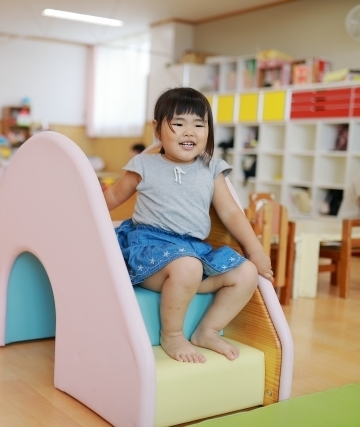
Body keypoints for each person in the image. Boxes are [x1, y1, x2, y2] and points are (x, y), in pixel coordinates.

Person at [104, 87, 272, 364]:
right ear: (158, 130)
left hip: (194, 251)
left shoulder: (211, 168)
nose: (189, 132)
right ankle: (172, 334)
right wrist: (81, 216)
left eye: (199, 124)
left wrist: (255, 251)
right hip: (149, 251)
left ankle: (207, 331)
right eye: (179, 124)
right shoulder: (144, 164)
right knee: (188, 266)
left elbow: (231, 213)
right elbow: (111, 197)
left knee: (246, 273)